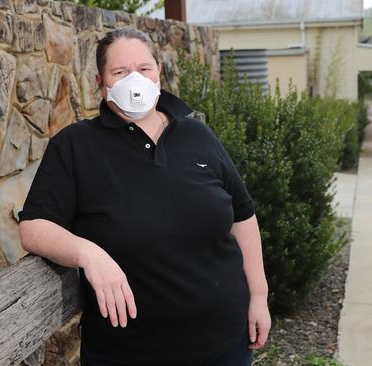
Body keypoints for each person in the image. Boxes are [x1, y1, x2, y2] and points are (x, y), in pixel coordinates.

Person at [17, 28, 271, 365]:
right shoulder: (75, 146)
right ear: (100, 81)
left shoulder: (197, 133)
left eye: (144, 69)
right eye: (120, 72)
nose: (134, 79)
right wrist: (89, 254)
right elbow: (33, 227)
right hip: (128, 354)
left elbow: (242, 215)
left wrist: (258, 296)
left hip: (225, 346)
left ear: (158, 74)